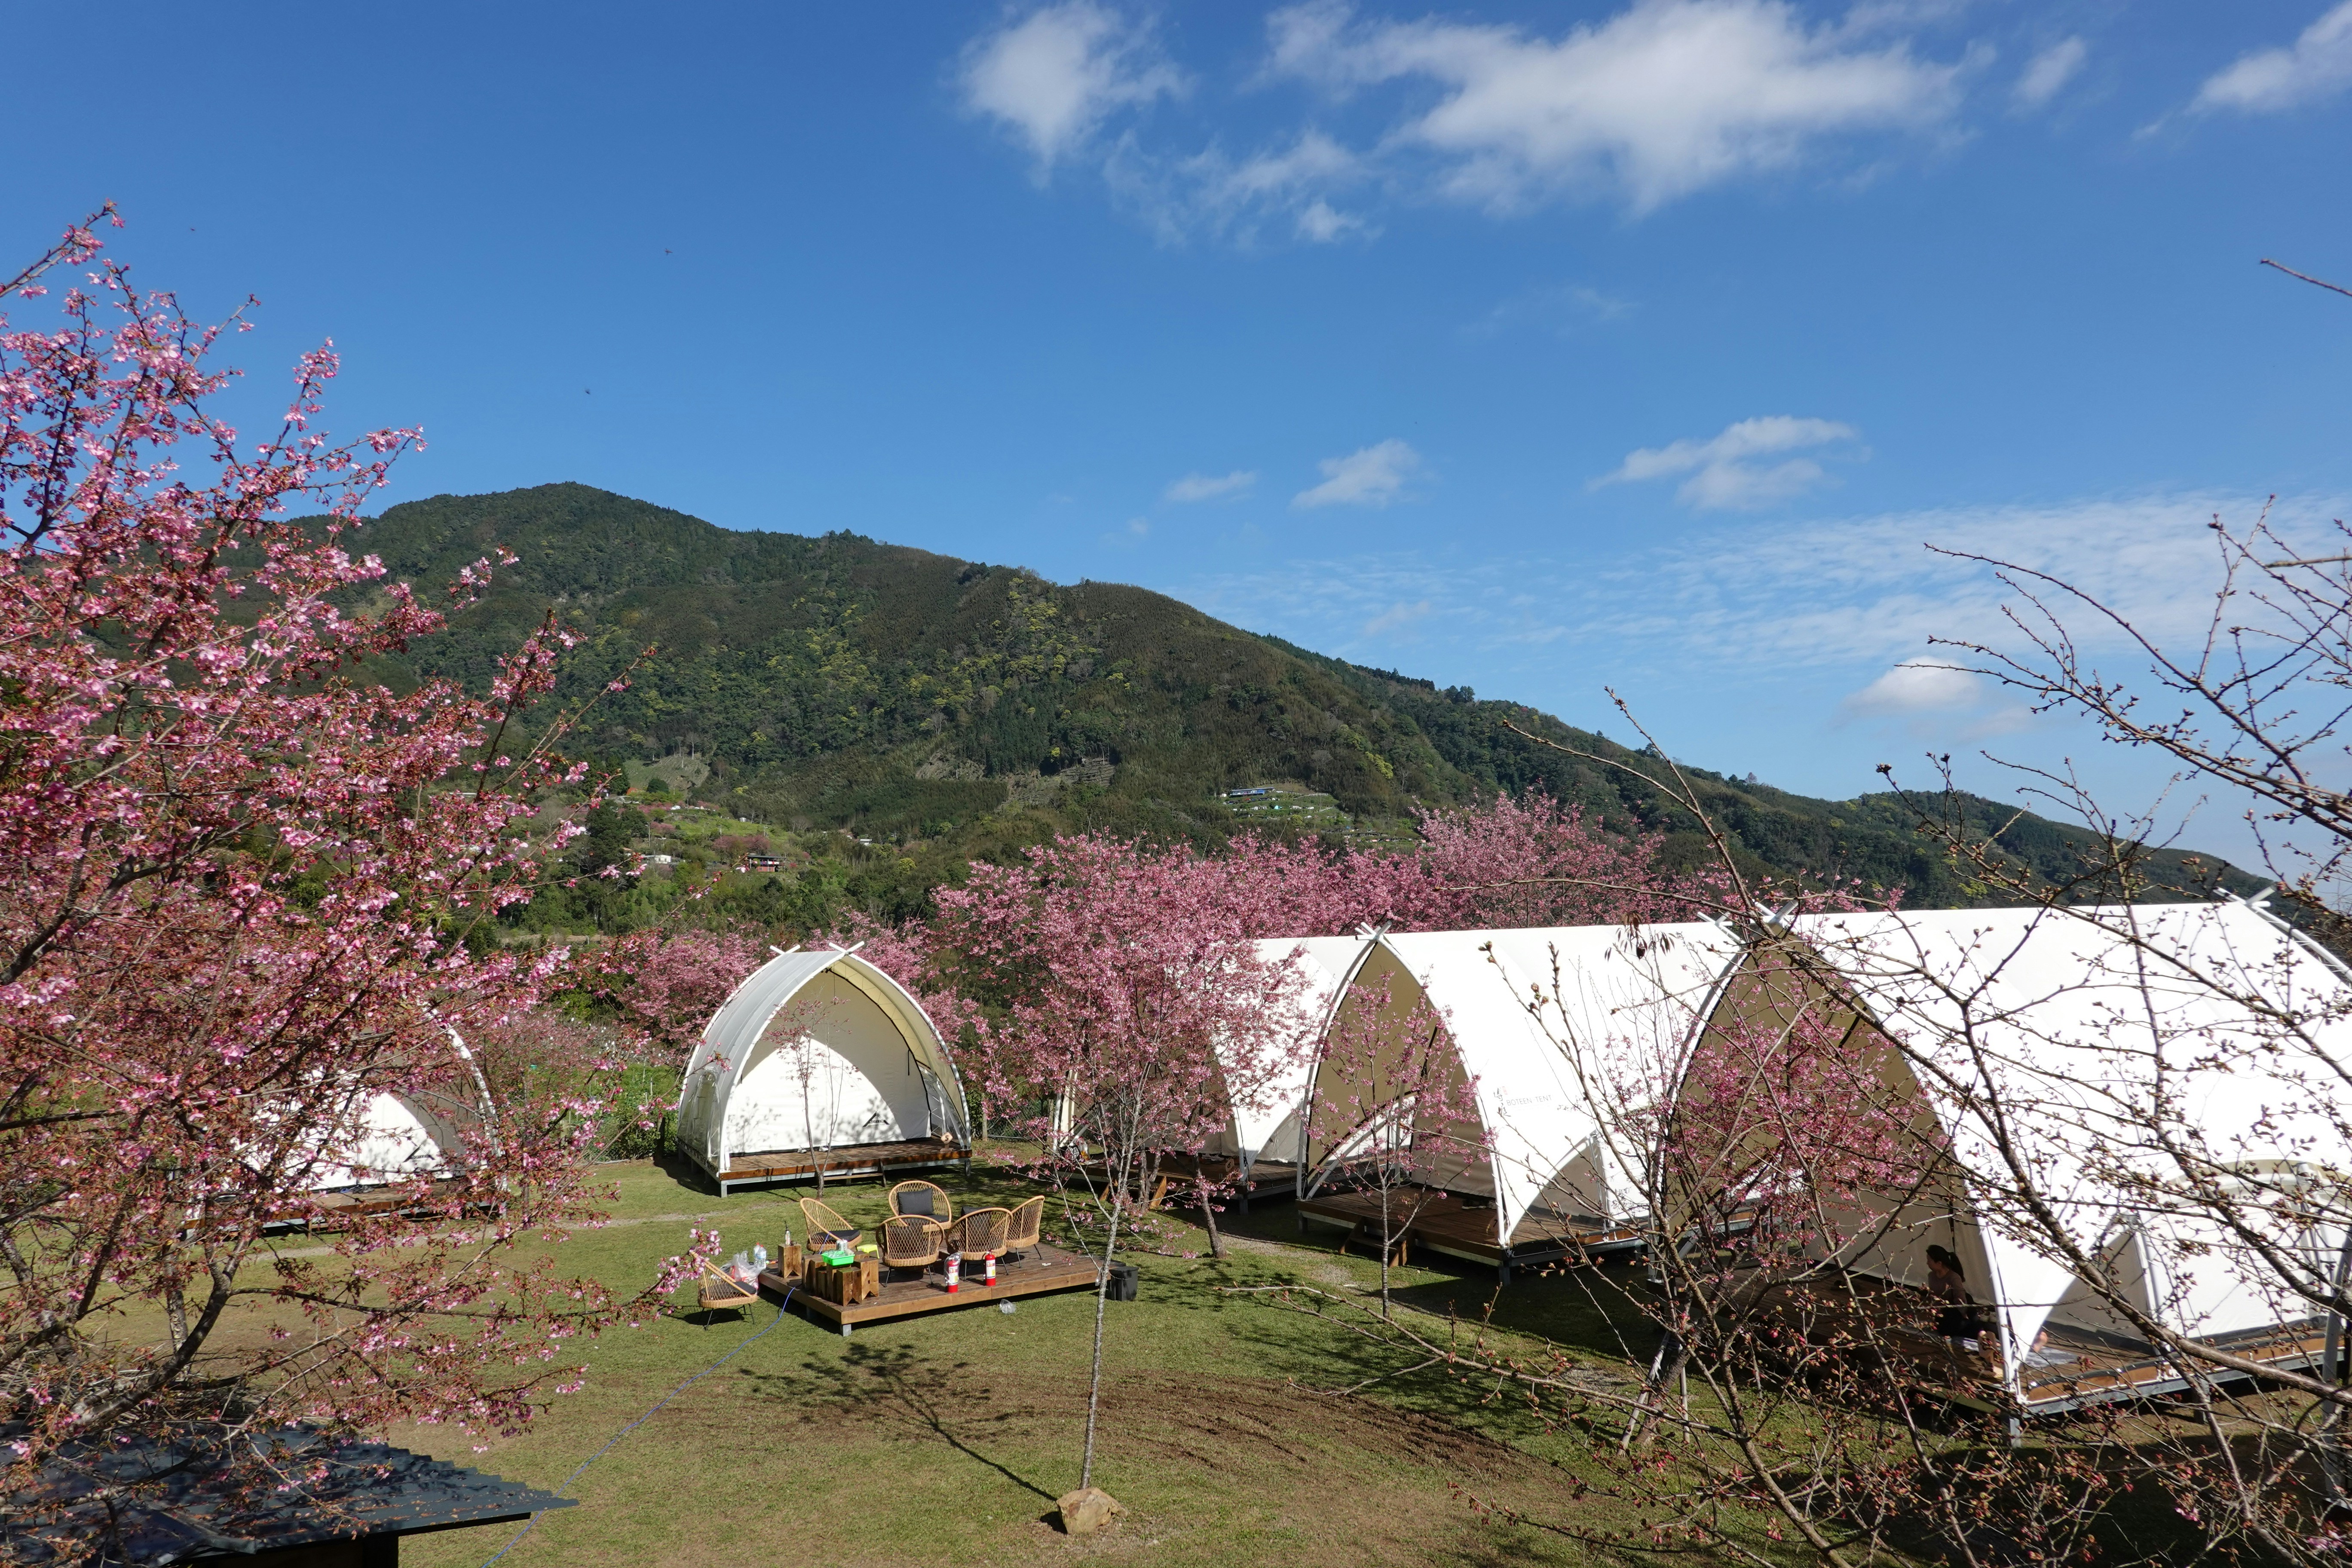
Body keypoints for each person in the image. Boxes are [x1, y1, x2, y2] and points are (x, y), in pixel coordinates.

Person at [1924, 1244, 1984, 1351]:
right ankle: (1979, 1331)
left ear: (1939, 1263)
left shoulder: (1954, 1277)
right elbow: (1933, 1297)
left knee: (1968, 1300)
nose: (1927, 1263)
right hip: (1944, 1313)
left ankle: (1980, 1333)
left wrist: (1964, 1314)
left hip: (1956, 1311)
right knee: (1954, 1328)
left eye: (1929, 1260)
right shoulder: (1931, 1276)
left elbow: (1960, 1299)